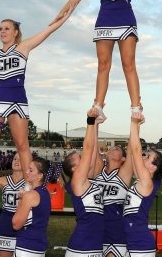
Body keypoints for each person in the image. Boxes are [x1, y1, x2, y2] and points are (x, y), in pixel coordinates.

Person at [0, 4, 76, 188]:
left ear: (16, 32)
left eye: (7, 28)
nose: (2, 32)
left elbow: (49, 30)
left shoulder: (24, 47)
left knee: (22, 144)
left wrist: (66, 16)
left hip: (18, 99)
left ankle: (29, 184)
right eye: (0, 29)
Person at [124, 111, 162, 257]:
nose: (144, 157)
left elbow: (136, 151)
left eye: (148, 157)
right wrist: (137, 126)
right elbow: (132, 152)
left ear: (153, 167)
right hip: (133, 241)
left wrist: (134, 123)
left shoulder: (147, 182)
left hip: (139, 244)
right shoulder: (144, 180)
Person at [62, 108, 105, 257]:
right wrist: (90, 121)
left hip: (95, 244)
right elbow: (87, 148)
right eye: (79, 158)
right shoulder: (78, 181)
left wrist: (96, 124)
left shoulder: (88, 180)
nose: (84, 158)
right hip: (83, 245)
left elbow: (92, 150)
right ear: (74, 168)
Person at [92, 128, 134, 257]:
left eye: (116, 149)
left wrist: (135, 122)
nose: (111, 149)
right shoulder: (99, 170)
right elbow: (92, 147)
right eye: (110, 149)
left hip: (115, 228)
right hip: (94, 227)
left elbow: (132, 149)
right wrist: (95, 123)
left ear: (122, 159)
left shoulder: (123, 174)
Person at [12, 157, 59, 257]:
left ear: (40, 176)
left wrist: (20, 200)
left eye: (31, 170)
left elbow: (16, 224)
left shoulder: (31, 196)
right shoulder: (46, 192)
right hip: (39, 246)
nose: (26, 171)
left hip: (26, 247)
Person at [0, 151, 31, 257]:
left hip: (25, 224)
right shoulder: (2, 180)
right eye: (15, 158)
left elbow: (45, 195)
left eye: (20, 159)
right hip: (5, 223)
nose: (16, 161)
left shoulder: (31, 183)